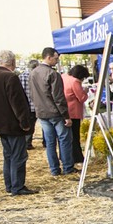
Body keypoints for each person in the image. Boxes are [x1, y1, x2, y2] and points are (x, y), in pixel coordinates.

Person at [0, 50, 36, 195]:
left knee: (8, 155)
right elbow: (18, 103)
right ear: (13, 62)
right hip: (12, 124)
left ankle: (10, 185)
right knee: (18, 155)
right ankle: (17, 186)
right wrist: (24, 122)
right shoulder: (10, 77)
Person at [29, 47, 74, 176]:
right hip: (55, 112)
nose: (57, 61)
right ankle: (67, 167)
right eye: (56, 58)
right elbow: (58, 97)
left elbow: (32, 94)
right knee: (64, 139)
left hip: (42, 112)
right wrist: (66, 116)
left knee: (50, 142)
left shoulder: (33, 73)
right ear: (49, 57)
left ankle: (54, 169)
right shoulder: (53, 74)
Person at [62, 65, 89, 164]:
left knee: (66, 137)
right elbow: (82, 98)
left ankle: (66, 157)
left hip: (65, 111)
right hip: (74, 112)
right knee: (75, 136)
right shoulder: (75, 82)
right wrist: (85, 92)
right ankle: (77, 157)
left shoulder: (64, 77)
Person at [19, 59, 39, 149]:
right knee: (31, 125)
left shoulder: (21, 76)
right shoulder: (35, 76)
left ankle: (26, 142)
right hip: (33, 105)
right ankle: (27, 143)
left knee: (27, 124)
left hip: (24, 105)